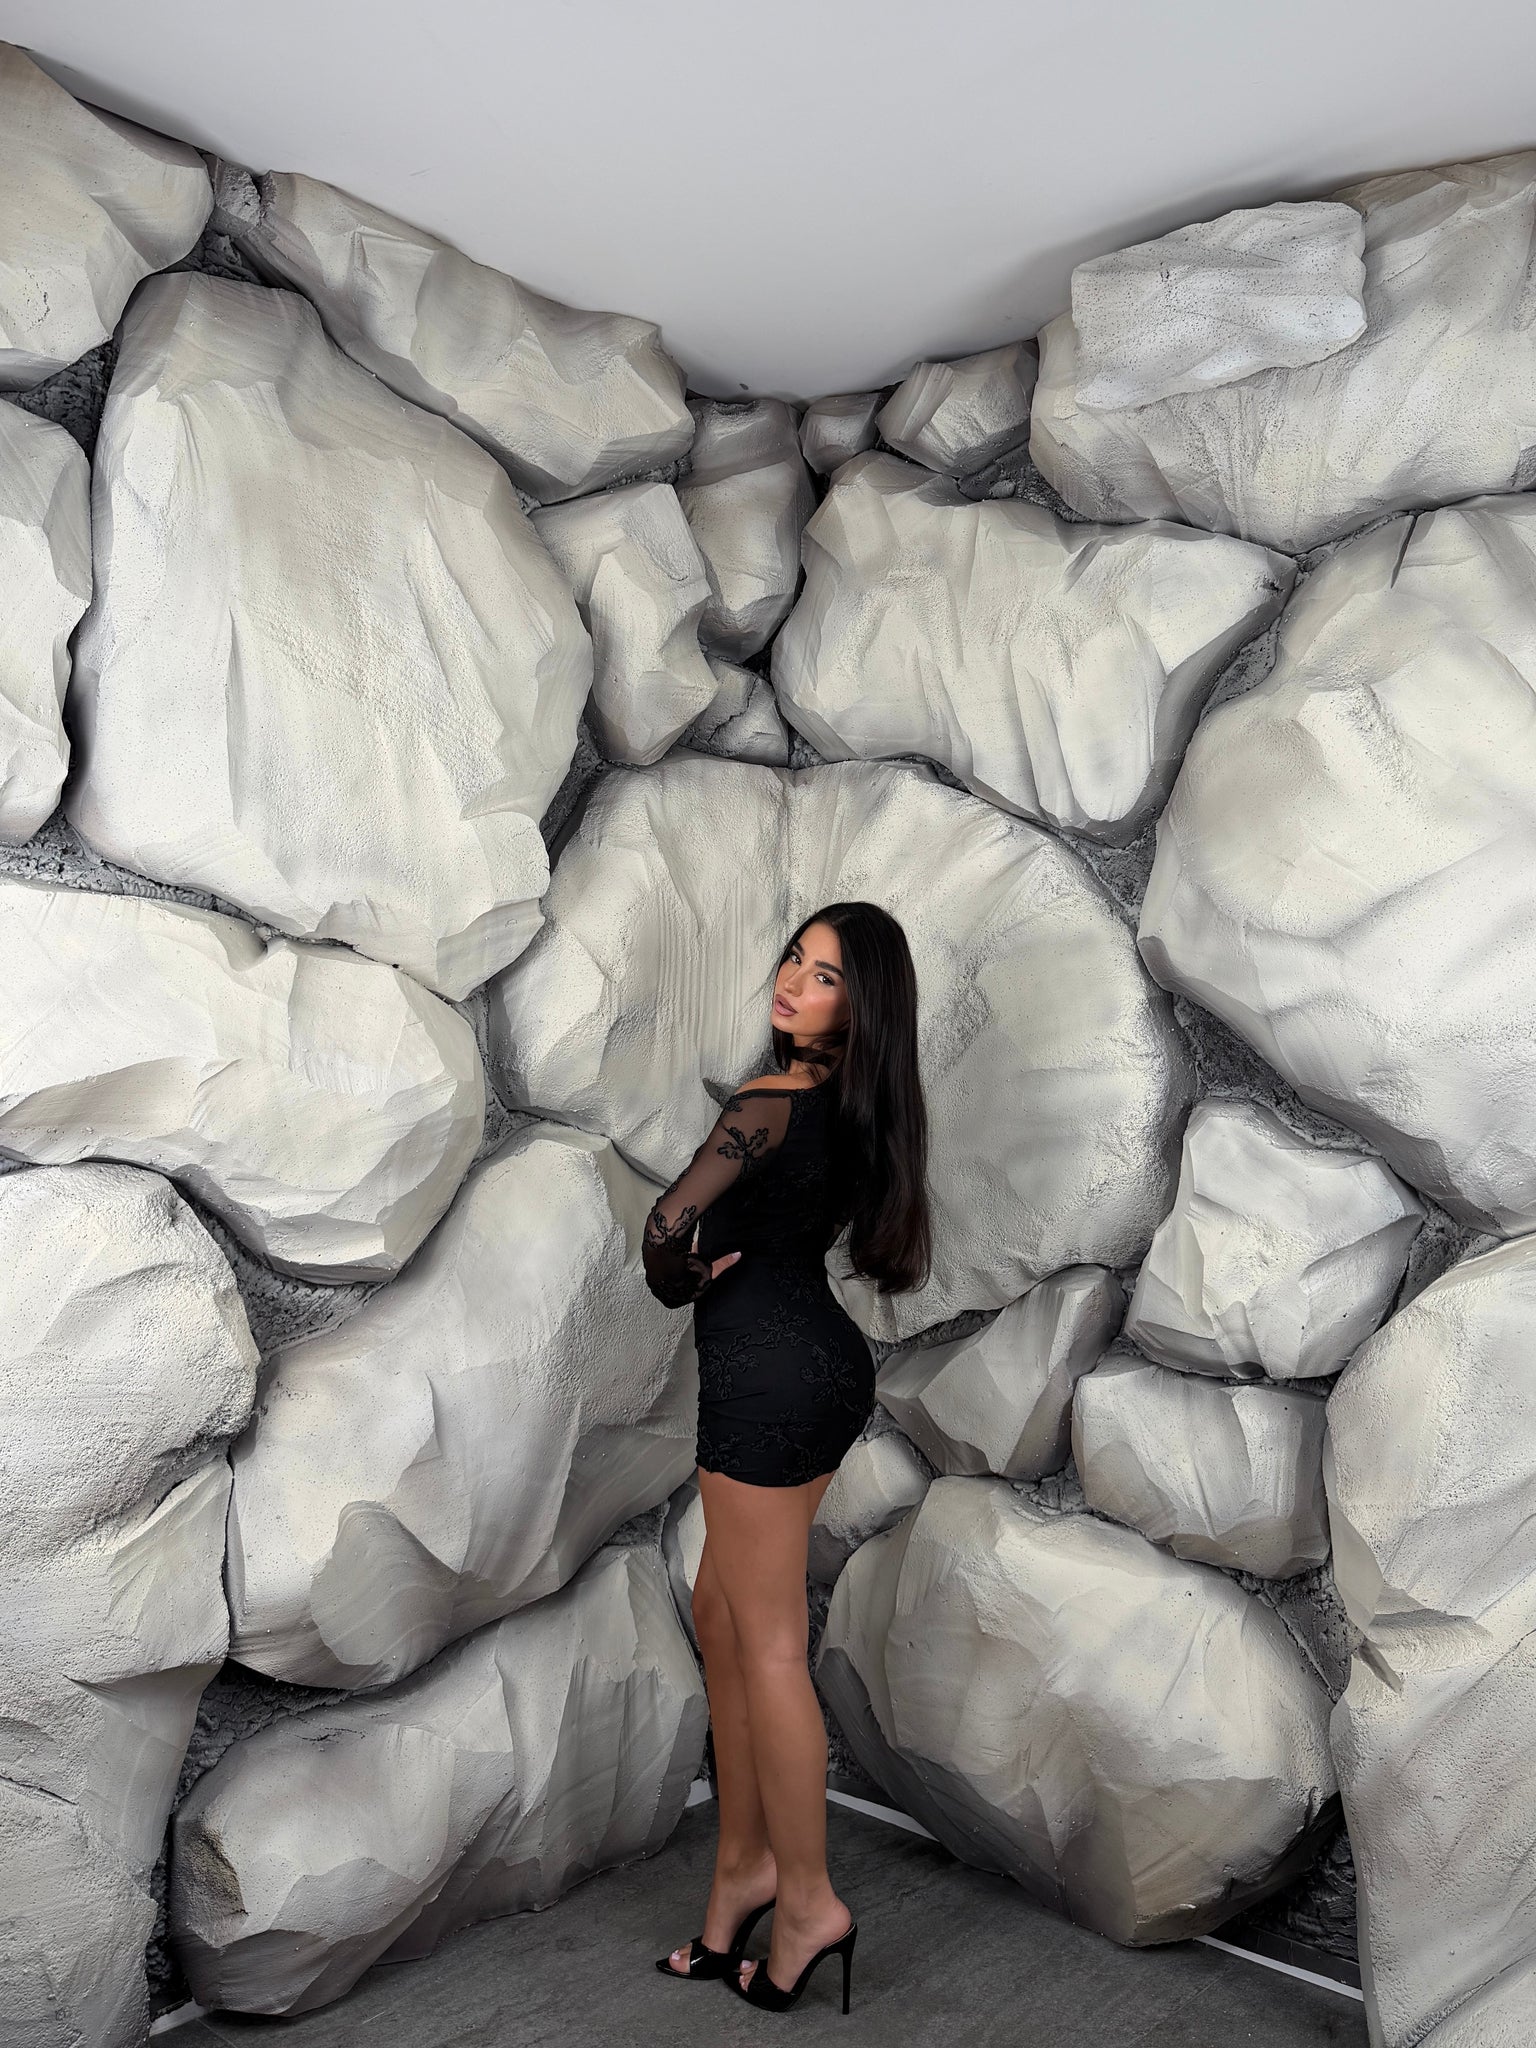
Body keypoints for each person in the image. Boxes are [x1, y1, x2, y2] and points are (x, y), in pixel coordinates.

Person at [643, 899, 932, 2013]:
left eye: (824, 975)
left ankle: (809, 1901)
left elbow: (666, 1224)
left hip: (765, 1383)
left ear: (860, 1008)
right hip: (819, 1368)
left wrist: (678, 1274)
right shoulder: (861, 1105)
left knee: (765, 1643)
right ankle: (742, 1873)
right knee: (721, 1612)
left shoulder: (769, 1103)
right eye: (794, 959)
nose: (792, 981)